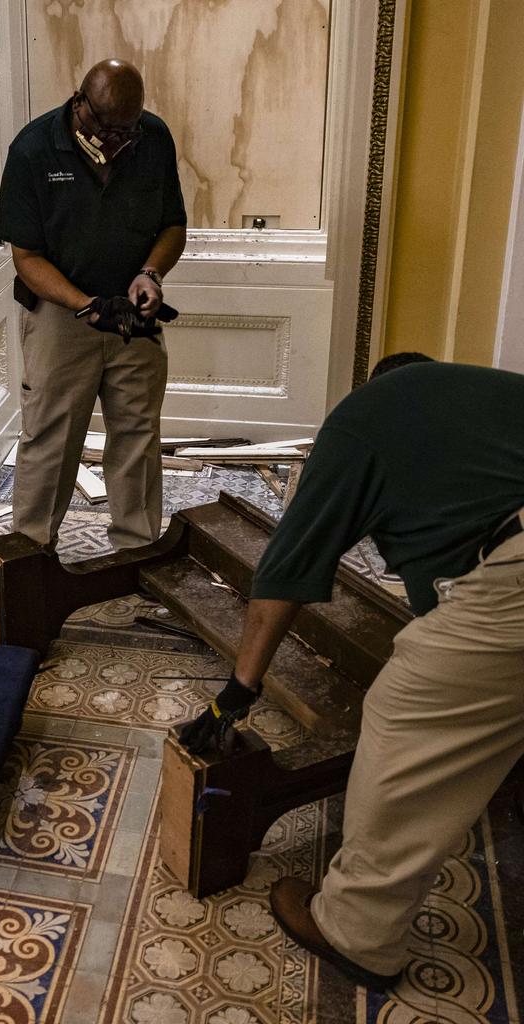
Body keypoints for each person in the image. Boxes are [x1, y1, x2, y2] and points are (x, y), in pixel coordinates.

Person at [180, 356, 524, 992]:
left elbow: (281, 575)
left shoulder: (359, 423)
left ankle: (354, 930)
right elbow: (443, 585)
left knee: (404, 714)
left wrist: (236, 694)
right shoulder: (475, 409)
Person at [0, 59, 187, 550]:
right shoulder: (34, 150)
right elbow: (27, 257)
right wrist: (85, 304)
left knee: (138, 437)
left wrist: (149, 274)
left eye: (129, 129)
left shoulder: (153, 138)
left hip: (133, 314)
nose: (119, 139)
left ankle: (136, 550)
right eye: (108, 127)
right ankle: (29, 555)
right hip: (61, 317)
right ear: (80, 103)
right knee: (50, 439)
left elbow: (172, 225)